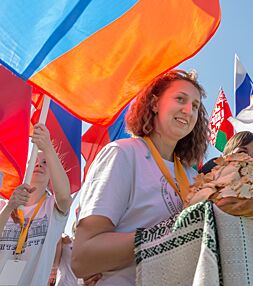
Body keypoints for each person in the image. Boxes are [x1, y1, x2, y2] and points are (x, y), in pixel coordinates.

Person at [72, 70, 208, 285]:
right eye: (180, 99)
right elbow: (83, 258)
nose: (188, 110)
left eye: (195, 106)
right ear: (154, 104)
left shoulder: (194, 177)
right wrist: (171, 232)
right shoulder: (123, 154)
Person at [0, 123, 72, 286]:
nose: (39, 164)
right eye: (34, 161)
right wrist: (9, 207)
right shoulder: (4, 205)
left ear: (51, 176)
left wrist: (48, 147)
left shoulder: (52, 208)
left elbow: (65, 197)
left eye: (45, 162)